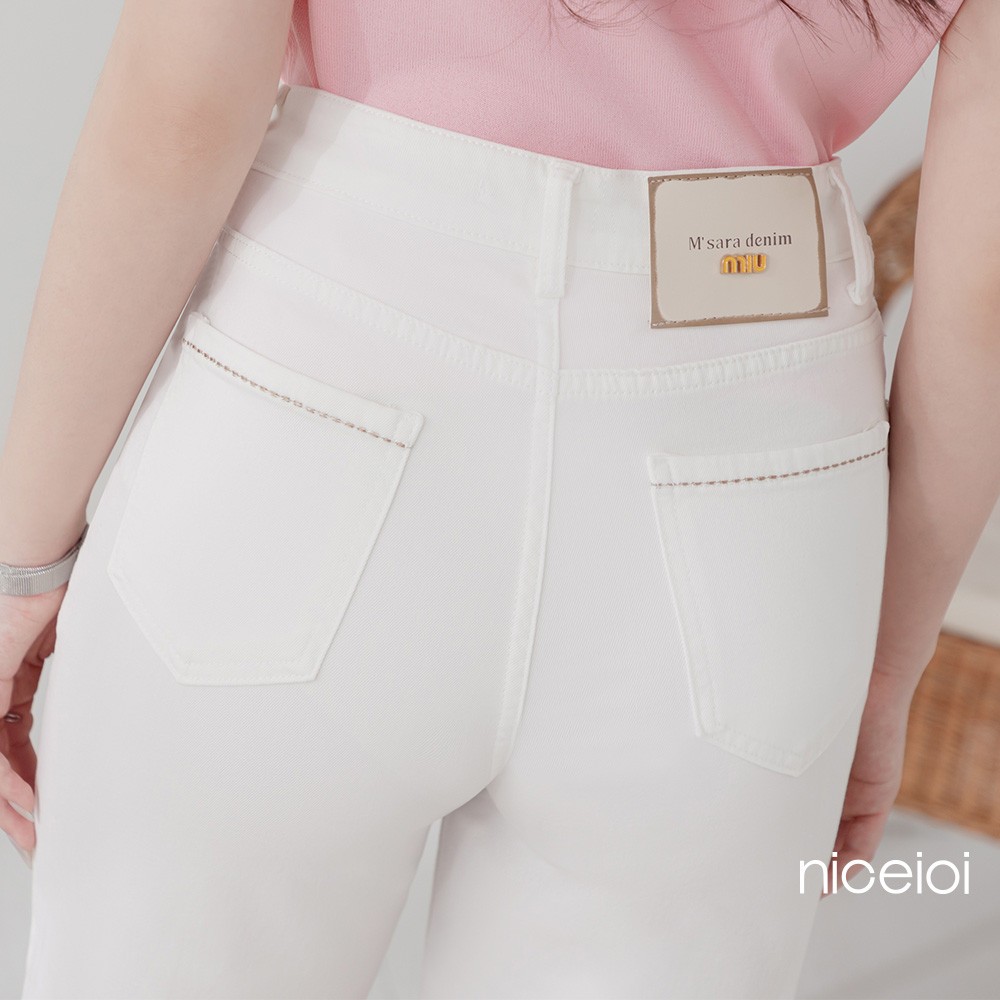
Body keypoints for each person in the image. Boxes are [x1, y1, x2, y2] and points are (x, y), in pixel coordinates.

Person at [1, 0, 996, 996]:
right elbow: (982, 300)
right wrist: (879, 673)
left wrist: (22, 567)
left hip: (324, 366)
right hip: (754, 423)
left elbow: (177, 106)